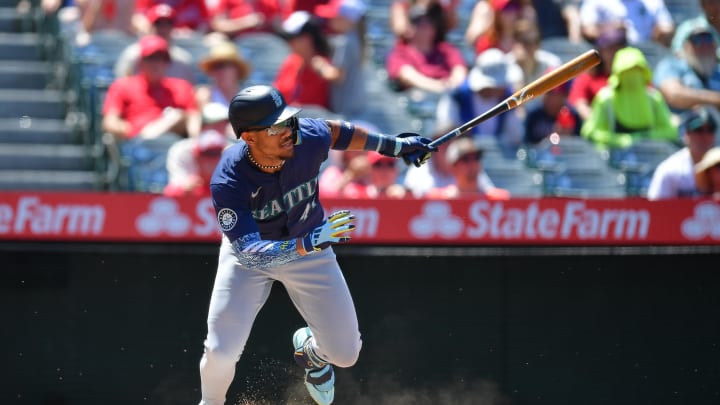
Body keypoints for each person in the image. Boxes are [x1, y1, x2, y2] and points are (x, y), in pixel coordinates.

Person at [198, 85, 435, 405]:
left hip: (309, 247)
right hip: (252, 254)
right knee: (221, 350)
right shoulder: (229, 180)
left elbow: (336, 131)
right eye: (276, 126)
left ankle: (311, 352)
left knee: (346, 353)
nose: (288, 130)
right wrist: (307, 243)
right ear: (249, 137)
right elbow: (250, 255)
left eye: (288, 121)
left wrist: (393, 145)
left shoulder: (305, 136)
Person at [102, 34, 201, 142]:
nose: (156, 64)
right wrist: (130, 131)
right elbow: (110, 122)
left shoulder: (182, 87)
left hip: (173, 144)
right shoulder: (123, 85)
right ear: (140, 63)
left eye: (161, 59)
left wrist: (195, 140)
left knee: (177, 116)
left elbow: (193, 119)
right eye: (151, 59)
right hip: (138, 147)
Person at [580, 46, 677, 150]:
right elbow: (590, 131)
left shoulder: (653, 99)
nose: (633, 76)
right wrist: (617, 140)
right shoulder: (606, 99)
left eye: (637, 70)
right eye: (627, 71)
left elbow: (671, 131)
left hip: (650, 157)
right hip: (613, 160)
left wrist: (645, 137)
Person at [434, 48, 524, 149]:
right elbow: (444, 132)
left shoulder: (509, 99)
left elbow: (514, 137)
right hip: (462, 157)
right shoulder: (457, 95)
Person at [385, 3, 467, 94]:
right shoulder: (400, 52)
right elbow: (408, 76)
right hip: (417, 97)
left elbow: (459, 71)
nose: (425, 26)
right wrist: (439, 87)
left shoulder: (446, 50)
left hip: (447, 98)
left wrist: (453, 85)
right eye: (418, 22)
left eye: (429, 22)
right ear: (409, 28)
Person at [403, 125, 497, 197]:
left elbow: (489, 192)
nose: (449, 146)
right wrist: (447, 197)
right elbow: (412, 196)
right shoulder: (420, 167)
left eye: (452, 141)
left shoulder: (469, 165)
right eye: (444, 142)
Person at [647, 105, 718, 199]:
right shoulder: (670, 169)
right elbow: (655, 208)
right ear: (686, 134)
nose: (704, 136)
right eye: (698, 130)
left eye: (710, 130)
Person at [164, 103, 233, 197]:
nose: (210, 160)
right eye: (212, 124)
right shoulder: (182, 150)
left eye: (222, 125)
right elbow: (172, 192)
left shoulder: (234, 153)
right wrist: (186, 187)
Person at [114, 4, 196, 83]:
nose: (163, 29)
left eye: (168, 24)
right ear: (149, 27)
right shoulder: (133, 55)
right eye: (158, 24)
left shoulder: (183, 60)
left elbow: (189, 91)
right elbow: (122, 87)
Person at [654, 19, 720, 117]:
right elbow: (673, 94)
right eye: (696, 40)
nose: (704, 45)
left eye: (708, 38)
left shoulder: (717, 71)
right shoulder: (671, 65)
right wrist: (715, 99)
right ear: (685, 46)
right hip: (681, 128)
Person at [314, 0, 369, 117]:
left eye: (335, 16)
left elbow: (338, 76)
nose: (331, 19)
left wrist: (320, 65)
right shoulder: (355, 39)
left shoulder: (346, 42)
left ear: (346, 19)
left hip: (346, 110)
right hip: (354, 107)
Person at [274, 11, 336, 110]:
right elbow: (277, 94)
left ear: (307, 39)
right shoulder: (291, 61)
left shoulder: (324, 66)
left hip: (313, 123)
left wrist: (321, 69)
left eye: (291, 38)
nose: (288, 43)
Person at [568, 25, 627, 121]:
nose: (614, 52)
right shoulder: (588, 77)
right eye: (610, 48)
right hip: (599, 130)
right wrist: (599, 124)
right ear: (601, 50)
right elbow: (579, 103)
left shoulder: (636, 74)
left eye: (618, 47)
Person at [426, 136, 511, 199]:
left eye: (476, 157)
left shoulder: (499, 199)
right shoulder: (438, 199)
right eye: (465, 159)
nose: (473, 163)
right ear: (453, 166)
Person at [195, 39, 251, 127]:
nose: (219, 71)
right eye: (214, 67)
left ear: (236, 69)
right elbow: (202, 126)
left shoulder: (249, 98)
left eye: (223, 65)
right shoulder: (205, 94)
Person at [578, 0, 674, 46]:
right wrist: (612, 30)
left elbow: (667, 27)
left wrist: (660, 32)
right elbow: (588, 30)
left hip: (646, 53)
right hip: (611, 55)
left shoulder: (652, 2)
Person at [465, 0, 536, 56]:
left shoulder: (526, 40)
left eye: (515, 6)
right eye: (507, 8)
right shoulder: (487, 43)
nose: (513, 12)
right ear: (497, 14)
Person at [524, 78, 582, 144]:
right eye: (546, 92)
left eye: (552, 92)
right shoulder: (533, 114)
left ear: (564, 95)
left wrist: (566, 137)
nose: (547, 96)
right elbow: (526, 146)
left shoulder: (573, 115)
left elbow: (578, 146)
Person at [206, 0, 284, 39]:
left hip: (265, 42)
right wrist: (245, 23)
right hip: (238, 41)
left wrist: (268, 23)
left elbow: (279, 26)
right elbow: (217, 24)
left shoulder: (270, 2)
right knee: (215, 39)